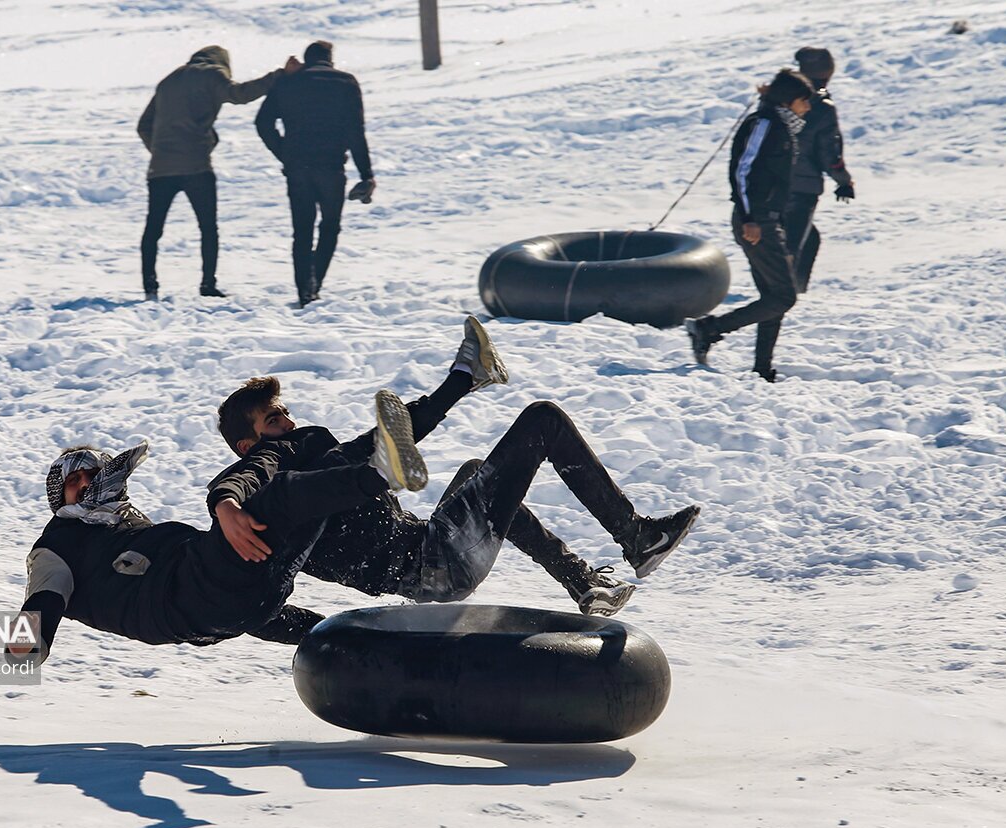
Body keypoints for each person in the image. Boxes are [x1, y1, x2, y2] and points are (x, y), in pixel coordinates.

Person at [209, 319, 700, 624]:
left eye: (286, 411)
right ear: (248, 443)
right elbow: (242, 479)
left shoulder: (316, 463)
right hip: (430, 566)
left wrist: (458, 382)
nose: (290, 423)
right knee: (542, 421)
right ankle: (636, 537)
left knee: (474, 474)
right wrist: (225, 503)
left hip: (431, 557)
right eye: (275, 420)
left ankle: (585, 584)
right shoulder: (271, 480)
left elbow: (392, 438)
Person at [5, 389, 445, 663]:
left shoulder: (123, 529)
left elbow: (241, 612)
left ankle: (379, 645)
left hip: (229, 602)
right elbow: (45, 596)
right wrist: (26, 644)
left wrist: (327, 635)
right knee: (284, 494)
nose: (81, 486)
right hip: (191, 590)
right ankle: (383, 471)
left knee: (313, 494)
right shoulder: (57, 545)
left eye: (87, 475)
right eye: (70, 484)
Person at [136, 46, 300, 301]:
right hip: (196, 166)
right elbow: (240, 94)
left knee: (154, 228)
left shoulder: (168, 81)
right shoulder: (212, 75)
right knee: (207, 228)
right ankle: (207, 285)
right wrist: (278, 75)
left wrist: (160, 150)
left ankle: (150, 285)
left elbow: (143, 126)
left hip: (161, 169)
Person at [684, 69, 815, 382]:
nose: (807, 108)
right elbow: (742, 172)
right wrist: (749, 218)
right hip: (755, 223)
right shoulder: (764, 124)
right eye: (803, 101)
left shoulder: (781, 125)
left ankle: (762, 368)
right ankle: (708, 329)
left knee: (773, 296)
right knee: (784, 297)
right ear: (789, 100)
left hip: (768, 219)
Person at [254, 41, 375, 307]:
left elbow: (262, 123)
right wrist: (366, 173)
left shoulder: (287, 83)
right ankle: (315, 284)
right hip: (331, 166)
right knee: (330, 226)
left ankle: (304, 291)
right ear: (330, 59)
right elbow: (356, 132)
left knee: (302, 230)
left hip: (297, 167)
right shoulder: (345, 82)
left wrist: (284, 152)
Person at [785, 47, 856, 293]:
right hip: (802, 185)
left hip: (772, 180)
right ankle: (786, 293)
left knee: (807, 237)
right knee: (795, 243)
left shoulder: (781, 96)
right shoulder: (821, 106)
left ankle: (794, 288)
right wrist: (843, 181)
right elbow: (829, 153)